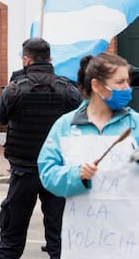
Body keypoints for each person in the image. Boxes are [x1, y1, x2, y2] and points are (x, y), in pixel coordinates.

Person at [0, 37, 82, 259]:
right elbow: (81, 122)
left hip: (23, 170)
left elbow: (1, 119)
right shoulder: (68, 90)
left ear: (26, 59)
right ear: (50, 58)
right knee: (59, 238)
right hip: (57, 172)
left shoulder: (14, 90)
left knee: (12, 236)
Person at [38, 52, 136, 197]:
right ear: (96, 85)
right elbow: (48, 172)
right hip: (81, 217)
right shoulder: (66, 125)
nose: (127, 88)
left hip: (128, 218)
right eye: (120, 82)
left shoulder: (135, 122)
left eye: (128, 81)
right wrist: (76, 175)